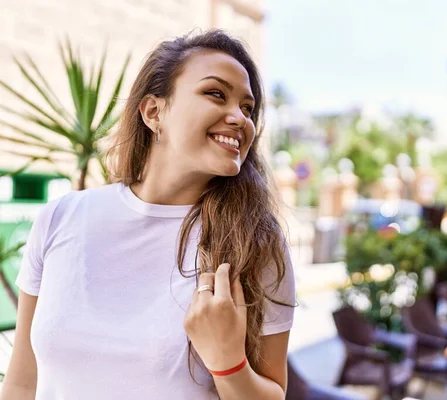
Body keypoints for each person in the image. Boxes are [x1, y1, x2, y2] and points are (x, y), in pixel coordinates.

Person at [0, 30, 295, 400]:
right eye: (216, 94)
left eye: (248, 108)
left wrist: (228, 364)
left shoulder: (253, 242)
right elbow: (23, 382)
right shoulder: (62, 217)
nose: (239, 118)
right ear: (155, 112)